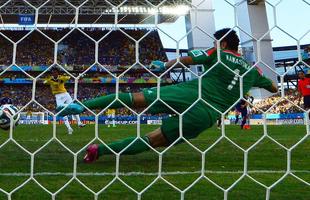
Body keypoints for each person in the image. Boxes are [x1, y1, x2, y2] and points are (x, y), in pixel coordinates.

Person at [57, 28, 278, 163]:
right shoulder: (253, 71)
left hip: (191, 93)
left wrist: (164, 64)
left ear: (223, 43)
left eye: (215, 41)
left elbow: (186, 59)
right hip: (207, 115)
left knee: (134, 98)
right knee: (153, 140)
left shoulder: (218, 53)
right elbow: (273, 88)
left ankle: (82, 105)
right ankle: (99, 151)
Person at [44, 67, 85, 134]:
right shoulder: (49, 79)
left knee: (74, 107)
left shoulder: (62, 77)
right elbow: (43, 82)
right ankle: (69, 128)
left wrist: (77, 76)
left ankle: (79, 123)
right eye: (53, 72)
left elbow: (69, 77)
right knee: (62, 111)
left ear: (58, 72)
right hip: (58, 96)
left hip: (65, 94)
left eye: (55, 72)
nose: (54, 73)